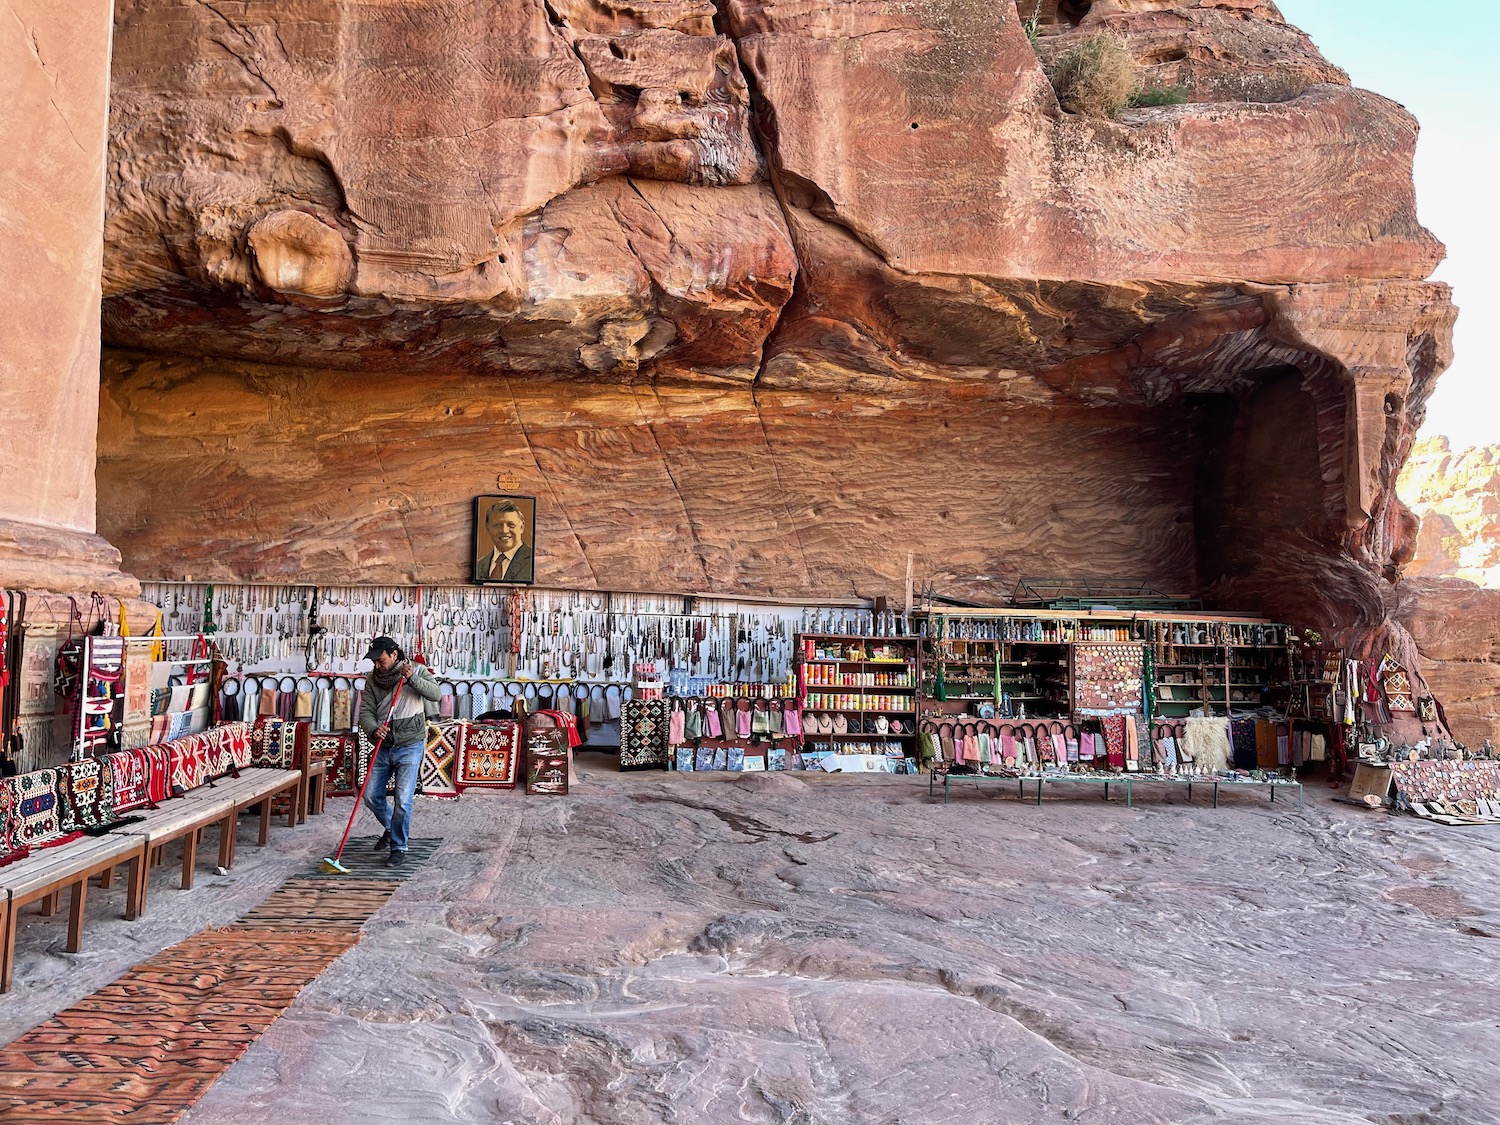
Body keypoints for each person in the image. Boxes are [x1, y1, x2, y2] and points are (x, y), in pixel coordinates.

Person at [358, 636, 441, 867]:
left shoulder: (417, 670)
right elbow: (366, 711)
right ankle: (390, 827)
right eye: (374, 661)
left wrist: (412, 678)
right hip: (383, 746)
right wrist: (374, 729)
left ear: (394, 654)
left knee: (403, 800)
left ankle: (399, 847)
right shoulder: (372, 680)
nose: (376, 665)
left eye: (380, 660)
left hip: (410, 744)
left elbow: (435, 694)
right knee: (371, 795)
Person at [476, 501, 534, 582]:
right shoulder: (478, 565)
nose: (504, 531)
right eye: (497, 525)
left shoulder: (535, 561)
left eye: (511, 525)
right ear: (488, 529)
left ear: (522, 527)